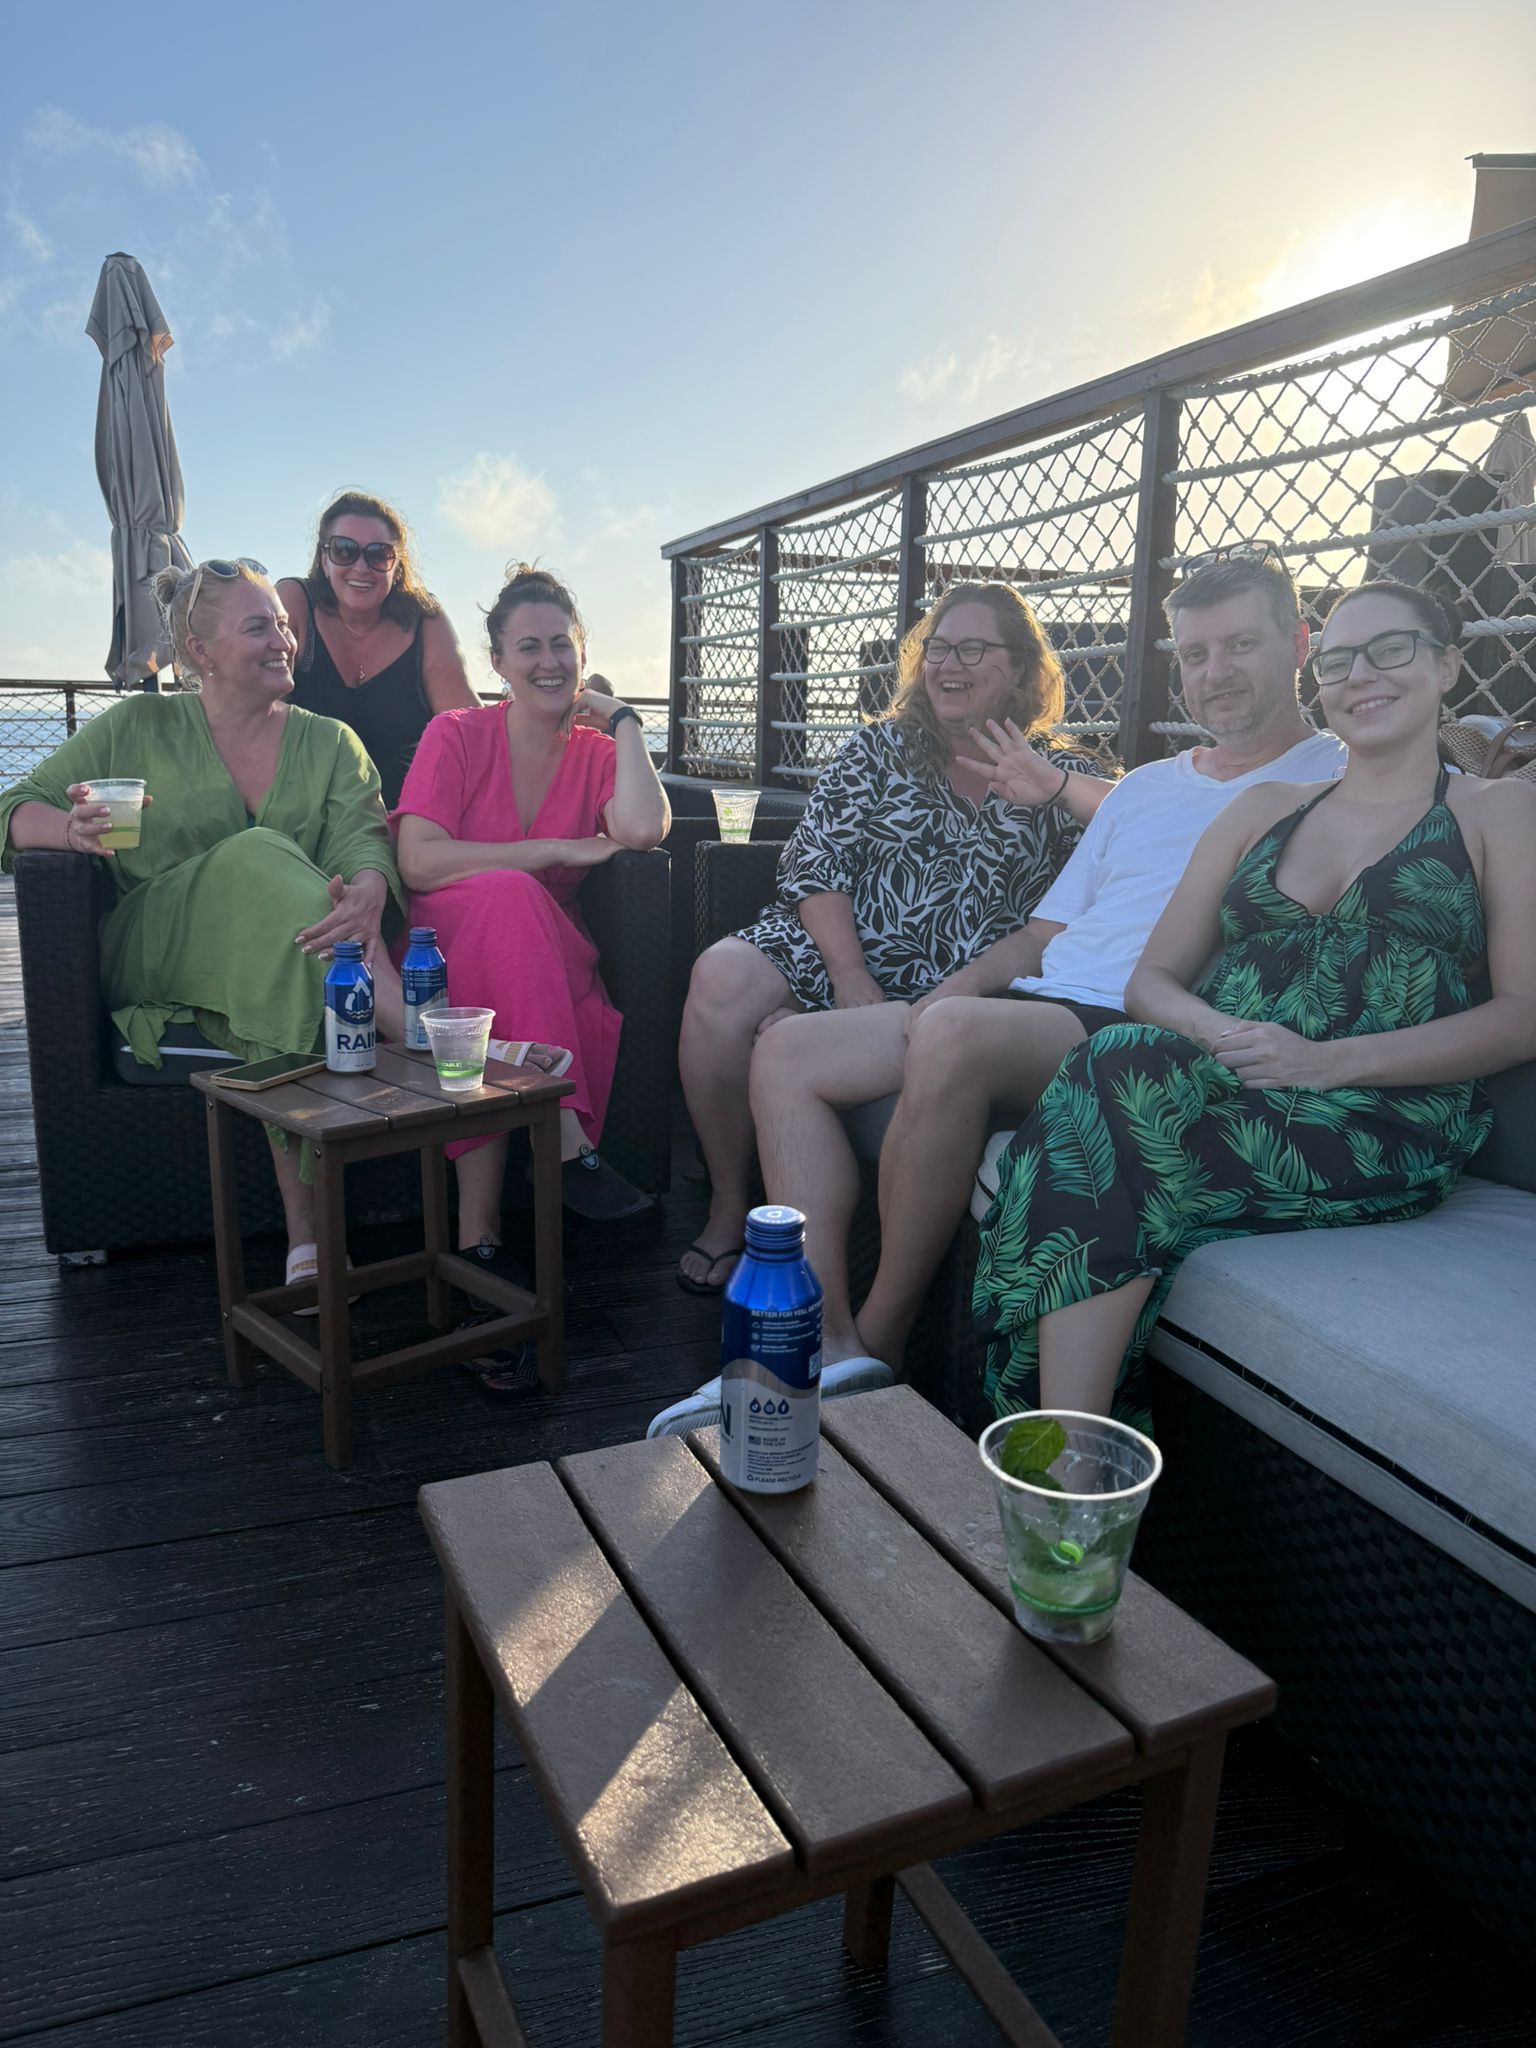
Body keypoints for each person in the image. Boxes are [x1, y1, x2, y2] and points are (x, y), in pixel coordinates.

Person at [749, 545, 1347, 1369]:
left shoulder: (1339, 777)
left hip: (1137, 1025)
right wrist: (939, 998)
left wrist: (948, 1016)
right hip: (1040, 1002)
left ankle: (879, 1344)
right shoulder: (1147, 786)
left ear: (1300, 643)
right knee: (786, 1050)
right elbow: (1039, 937)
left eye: (1241, 645)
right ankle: (823, 1333)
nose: (1216, 673)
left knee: (954, 1032)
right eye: (1196, 653)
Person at [975, 579, 1536, 1429]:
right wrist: (1221, 1032)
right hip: (1229, 1078)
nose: (1362, 675)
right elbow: (1152, 982)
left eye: (1392, 649)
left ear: (1448, 665)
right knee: (1113, 1063)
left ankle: (1061, 1451)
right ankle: (1079, 1453)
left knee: (1079, 1148)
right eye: (1339, 661)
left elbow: (1525, 1012)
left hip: (1375, 1111)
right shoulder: (1264, 809)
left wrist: (1326, 1061)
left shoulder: (1499, 812)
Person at [677, 581, 1115, 1294]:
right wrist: (848, 976)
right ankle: (729, 1205)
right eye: (937, 648)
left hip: (972, 981)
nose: (947, 665)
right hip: (843, 947)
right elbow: (815, 865)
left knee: (860, 1033)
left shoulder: (1065, 774)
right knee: (721, 975)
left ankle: (808, 1050)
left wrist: (1058, 784)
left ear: (1021, 668)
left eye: (971, 649)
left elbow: (1139, 839)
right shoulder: (879, 749)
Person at [0, 559, 406, 1288]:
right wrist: (68, 830)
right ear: (199, 649)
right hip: (156, 944)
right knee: (257, 855)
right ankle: (413, 1025)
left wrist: (370, 886)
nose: (282, 639)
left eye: (283, 624)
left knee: (277, 964)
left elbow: (364, 840)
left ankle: (311, 1238)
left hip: (296, 956)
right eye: (257, 627)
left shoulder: (330, 741)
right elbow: (10, 807)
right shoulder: (138, 723)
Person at [394, 563, 670, 1286]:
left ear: (581, 652)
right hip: (443, 943)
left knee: (506, 952)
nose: (548, 661)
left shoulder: (599, 752)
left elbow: (644, 829)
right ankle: (566, 1142)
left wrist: (625, 720)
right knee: (507, 904)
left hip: (546, 954)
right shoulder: (455, 732)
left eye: (561, 644)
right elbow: (418, 862)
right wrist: (551, 850)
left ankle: (477, 1237)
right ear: (498, 663)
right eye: (528, 647)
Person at [279, 491, 479, 807]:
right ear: (324, 560)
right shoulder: (295, 602)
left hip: (402, 818)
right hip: (299, 812)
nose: (361, 567)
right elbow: (250, 708)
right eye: (344, 550)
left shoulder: (424, 620)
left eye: (379, 554)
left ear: (397, 567)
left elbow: (472, 732)